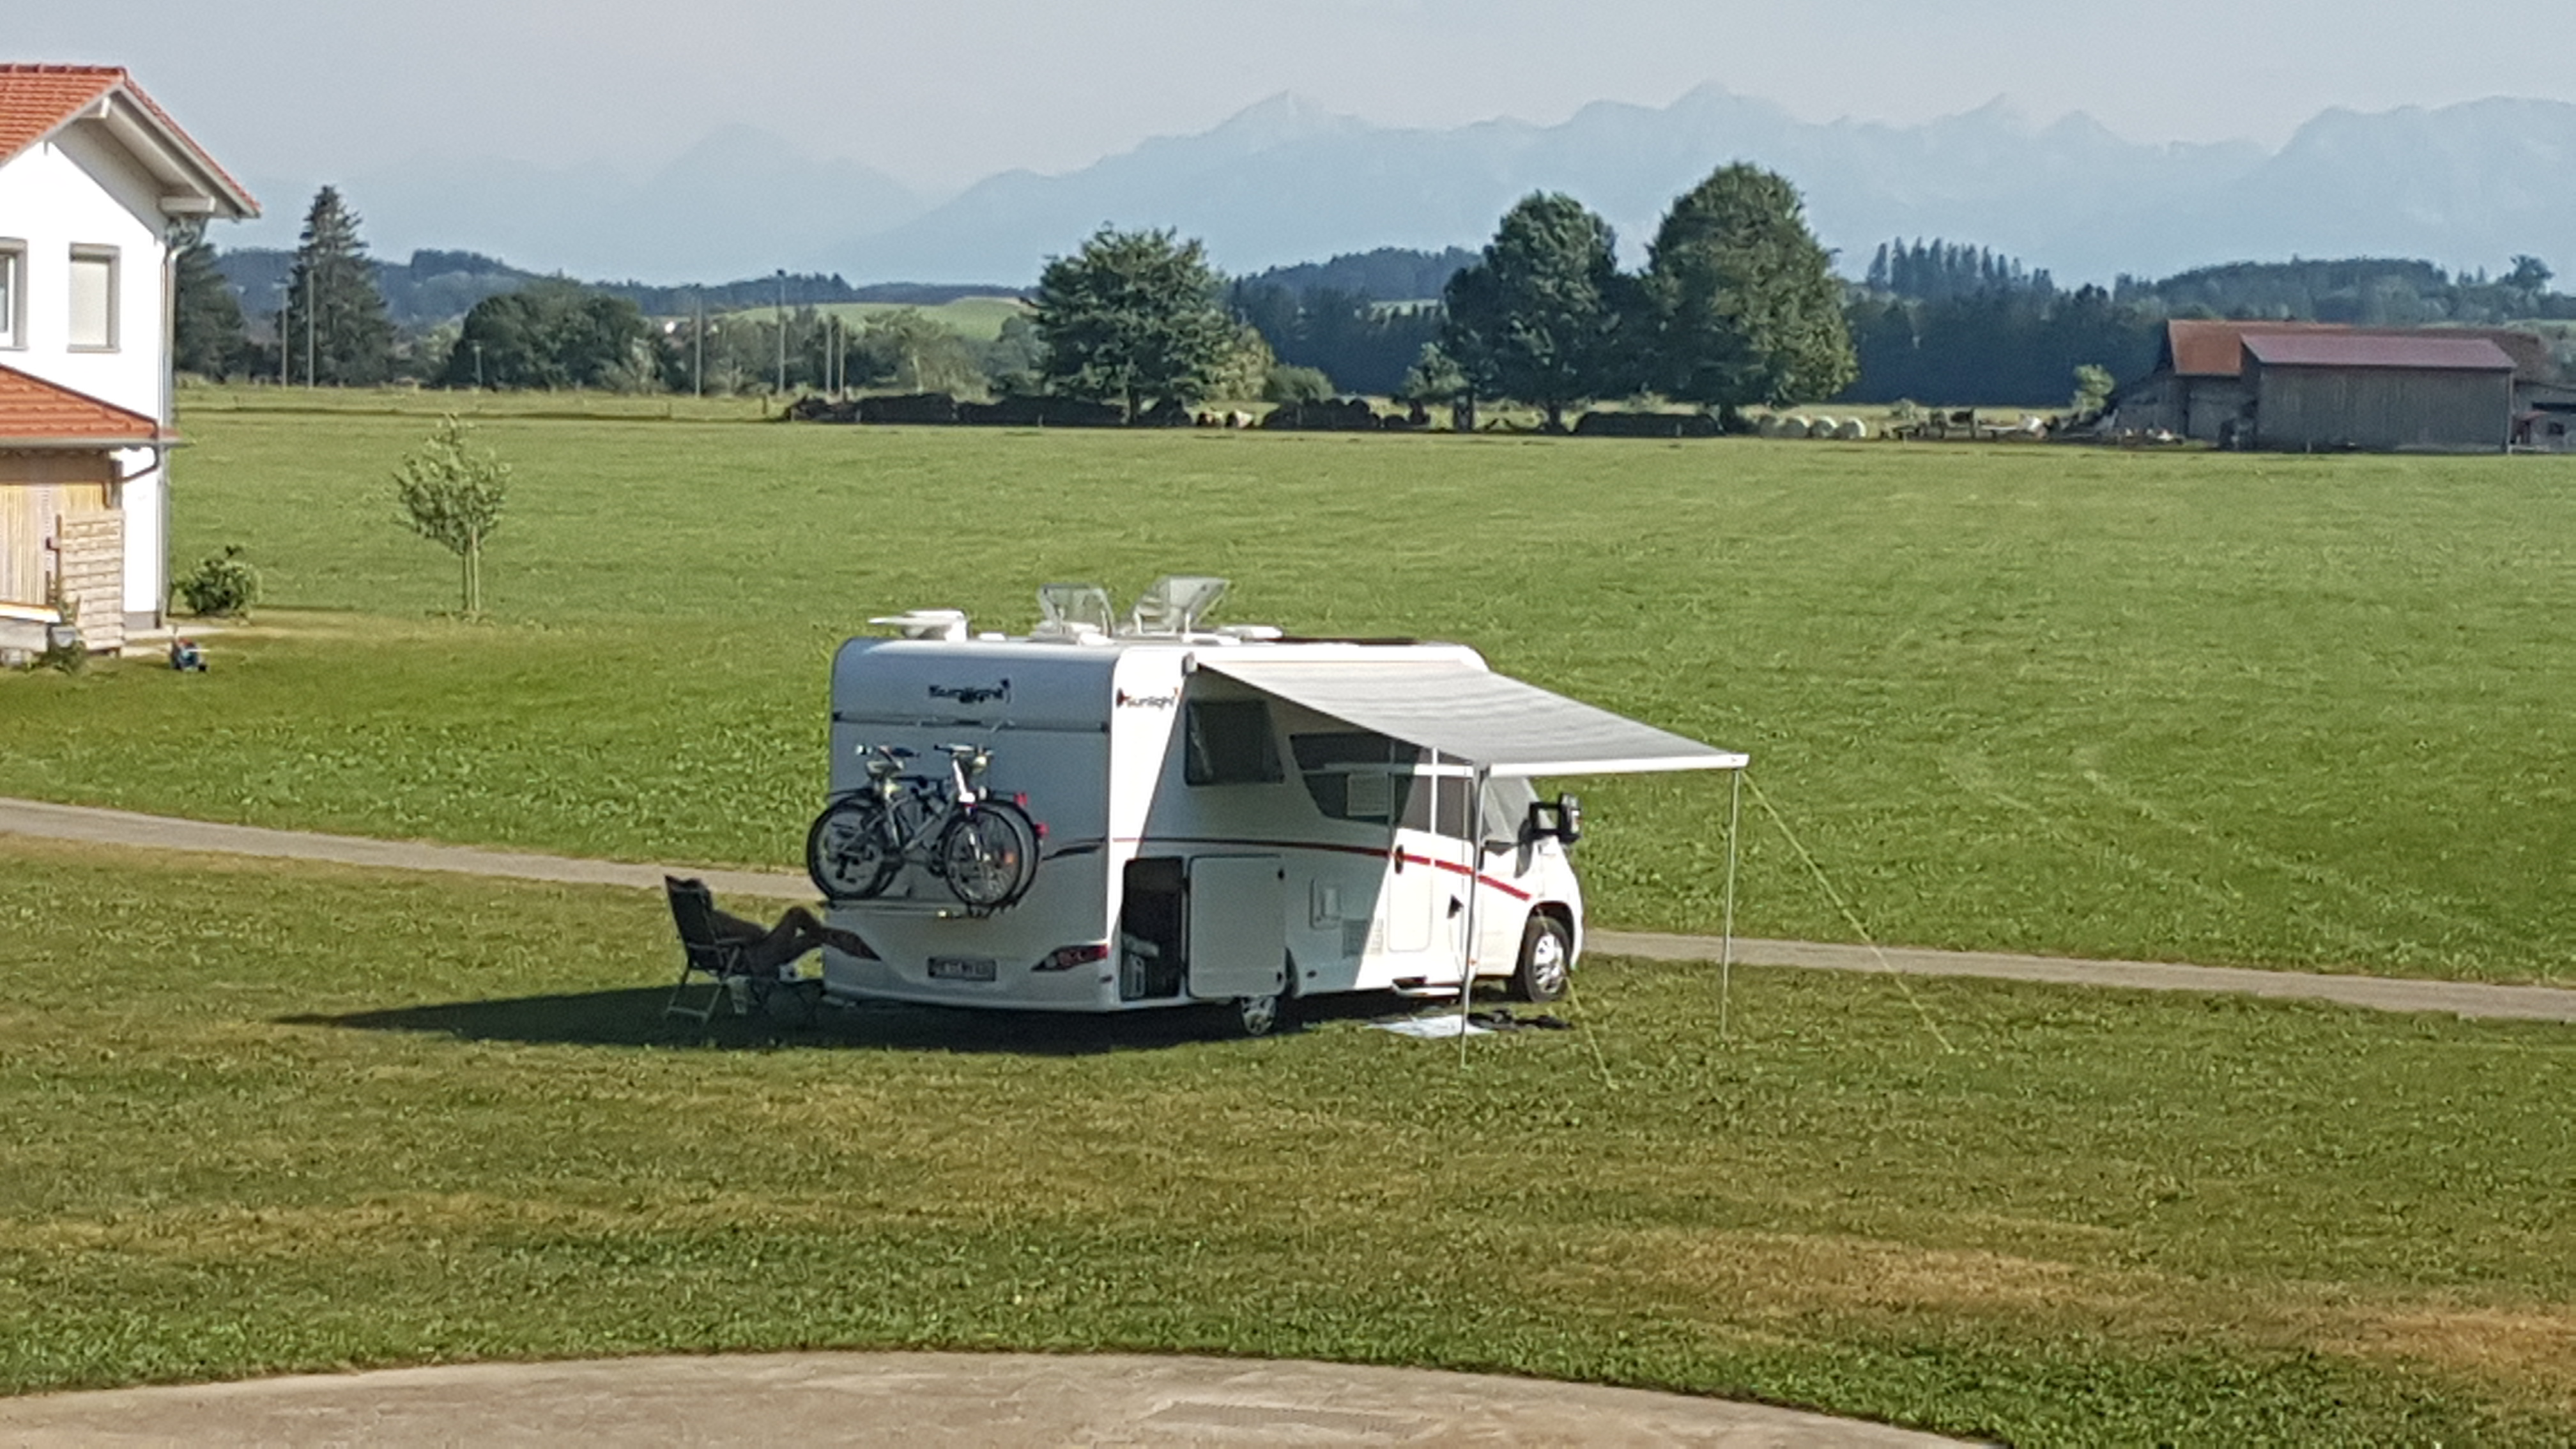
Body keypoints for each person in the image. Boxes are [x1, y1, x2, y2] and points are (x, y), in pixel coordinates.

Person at [707, 901, 870, 978]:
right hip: (756, 958)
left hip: (740, 960)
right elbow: (756, 933)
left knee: (812, 938)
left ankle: (831, 938)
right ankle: (862, 950)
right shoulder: (716, 919)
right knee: (796, 914)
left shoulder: (698, 925)